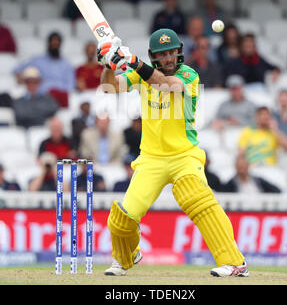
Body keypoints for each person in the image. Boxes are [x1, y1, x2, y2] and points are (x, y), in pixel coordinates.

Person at [97, 28, 248, 278]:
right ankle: (126, 257)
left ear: (179, 53)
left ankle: (235, 262)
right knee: (122, 218)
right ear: (153, 56)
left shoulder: (188, 76)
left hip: (184, 156)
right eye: (161, 54)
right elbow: (108, 88)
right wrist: (108, 64)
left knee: (198, 199)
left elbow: (166, 85)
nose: (167, 58)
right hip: (151, 160)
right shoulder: (140, 75)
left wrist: (133, 60)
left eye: (171, 52)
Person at [14, 32, 75, 108]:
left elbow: (70, 86)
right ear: (48, 44)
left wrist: (57, 92)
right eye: (53, 44)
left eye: (57, 44)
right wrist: (19, 77)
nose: (55, 46)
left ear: (60, 45)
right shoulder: (38, 60)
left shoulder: (66, 64)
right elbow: (18, 69)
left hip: (59, 99)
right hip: (41, 97)